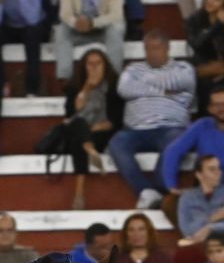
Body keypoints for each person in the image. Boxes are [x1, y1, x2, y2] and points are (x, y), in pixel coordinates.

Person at [107, 29, 196, 209]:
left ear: (167, 48)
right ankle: (146, 191)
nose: (152, 53)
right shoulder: (133, 68)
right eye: (148, 49)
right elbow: (124, 89)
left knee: (177, 141)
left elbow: (184, 82)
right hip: (135, 129)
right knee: (116, 143)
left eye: (156, 48)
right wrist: (164, 91)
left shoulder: (184, 68)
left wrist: (144, 81)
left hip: (171, 127)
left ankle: (159, 188)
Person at [62, 48, 122, 211]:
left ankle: (79, 193)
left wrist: (94, 127)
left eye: (98, 63)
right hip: (78, 132)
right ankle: (90, 150)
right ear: (84, 67)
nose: (94, 68)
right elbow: (71, 114)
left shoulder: (114, 88)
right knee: (79, 125)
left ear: (105, 66)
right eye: (90, 64)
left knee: (80, 136)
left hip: (101, 135)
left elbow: (115, 122)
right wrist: (87, 88)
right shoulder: (75, 88)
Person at [162, 86, 224, 195]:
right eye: (217, 105)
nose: (221, 108)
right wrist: (171, 187)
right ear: (210, 108)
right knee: (170, 204)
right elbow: (173, 151)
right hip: (208, 189)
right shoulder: (202, 125)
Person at [0, 0, 48, 98]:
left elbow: (33, 18)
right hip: (10, 26)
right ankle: (1, 85)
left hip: (34, 25)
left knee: (32, 33)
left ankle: (32, 89)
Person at [53, 0, 125, 84]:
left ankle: (113, 78)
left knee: (116, 29)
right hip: (79, 28)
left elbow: (116, 15)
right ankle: (65, 79)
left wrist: (93, 23)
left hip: (104, 29)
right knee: (61, 31)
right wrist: (75, 22)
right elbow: (64, 14)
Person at [177, 154, 224, 244]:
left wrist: (210, 228)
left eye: (219, 168)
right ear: (199, 175)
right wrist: (211, 218)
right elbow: (186, 230)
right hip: (196, 244)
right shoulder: (187, 198)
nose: (218, 172)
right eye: (212, 169)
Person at [186, 0, 224, 109]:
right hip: (204, 69)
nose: (210, 1)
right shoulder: (194, 19)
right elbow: (196, 44)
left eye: (217, 0)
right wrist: (217, 25)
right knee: (205, 83)